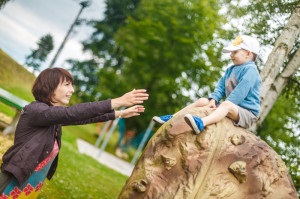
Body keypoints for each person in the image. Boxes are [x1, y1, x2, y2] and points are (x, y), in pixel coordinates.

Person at [0, 67, 149, 198]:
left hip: (29, 184)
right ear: (50, 87)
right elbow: (72, 113)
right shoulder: (37, 111)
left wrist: (119, 114)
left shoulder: (50, 118)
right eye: (67, 85)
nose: (72, 90)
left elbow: (81, 118)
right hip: (10, 183)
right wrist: (117, 101)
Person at [153, 35, 261, 134]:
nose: (231, 55)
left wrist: (221, 107)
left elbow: (240, 92)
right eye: (231, 53)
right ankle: (173, 118)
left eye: (235, 52)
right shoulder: (230, 69)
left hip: (246, 113)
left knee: (226, 105)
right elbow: (221, 87)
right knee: (203, 101)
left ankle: (201, 123)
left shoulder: (251, 70)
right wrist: (213, 100)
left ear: (248, 53)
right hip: (230, 106)